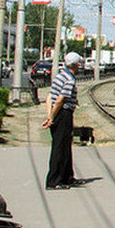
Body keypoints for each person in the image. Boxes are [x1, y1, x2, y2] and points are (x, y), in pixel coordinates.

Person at [41, 52, 83, 189]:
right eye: (79, 63)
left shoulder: (60, 76)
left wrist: (49, 116)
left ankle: (67, 177)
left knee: (65, 146)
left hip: (57, 113)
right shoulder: (69, 80)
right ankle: (53, 181)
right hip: (63, 114)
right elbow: (60, 100)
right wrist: (52, 117)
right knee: (59, 147)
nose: (80, 66)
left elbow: (50, 97)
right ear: (76, 65)